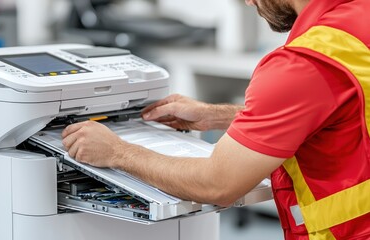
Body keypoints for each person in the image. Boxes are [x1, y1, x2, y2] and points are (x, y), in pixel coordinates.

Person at [62, 0, 370, 239]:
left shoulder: (303, 63)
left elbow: (218, 183)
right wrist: (217, 115)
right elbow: (344, 110)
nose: (249, 2)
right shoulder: (356, 23)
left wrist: (116, 152)